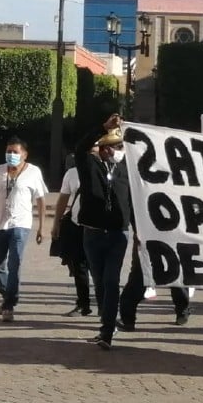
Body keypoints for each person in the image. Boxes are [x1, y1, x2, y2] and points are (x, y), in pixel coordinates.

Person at [76, 115, 134, 349]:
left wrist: (140, 233)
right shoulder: (90, 165)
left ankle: (107, 331)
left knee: (111, 281)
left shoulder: (128, 171)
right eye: (108, 146)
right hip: (93, 233)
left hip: (118, 234)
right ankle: (106, 323)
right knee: (99, 282)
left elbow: (136, 202)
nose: (113, 151)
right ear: (100, 149)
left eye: (118, 147)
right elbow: (80, 148)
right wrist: (102, 127)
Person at [0, 137, 47, 322]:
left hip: (21, 224)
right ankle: (8, 295)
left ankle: (9, 305)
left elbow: (41, 200)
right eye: (8, 151)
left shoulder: (33, 172)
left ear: (24, 154)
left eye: (15, 152)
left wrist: (42, 227)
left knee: (15, 262)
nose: (11, 155)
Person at [52, 153, 91, 316]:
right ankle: (83, 303)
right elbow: (63, 198)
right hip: (77, 225)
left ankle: (106, 307)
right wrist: (56, 222)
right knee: (79, 266)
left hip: (104, 228)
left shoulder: (113, 171)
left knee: (103, 270)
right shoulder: (73, 173)